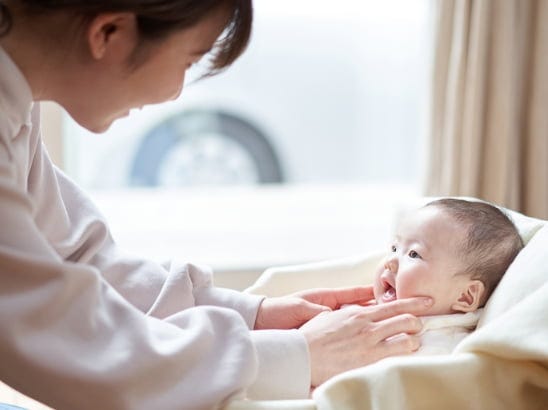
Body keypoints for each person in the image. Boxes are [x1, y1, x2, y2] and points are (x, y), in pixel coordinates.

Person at [0, 1, 434, 408]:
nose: (174, 93)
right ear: (109, 32)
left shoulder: (17, 101)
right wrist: (297, 355)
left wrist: (253, 316)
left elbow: (74, 256)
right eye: (189, 60)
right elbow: (65, 333)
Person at [372, 198, 524, 354]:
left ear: (465, 297)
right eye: (394, 248)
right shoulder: (362, 308)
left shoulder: (439, 348)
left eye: (413, 254)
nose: (389, 261)